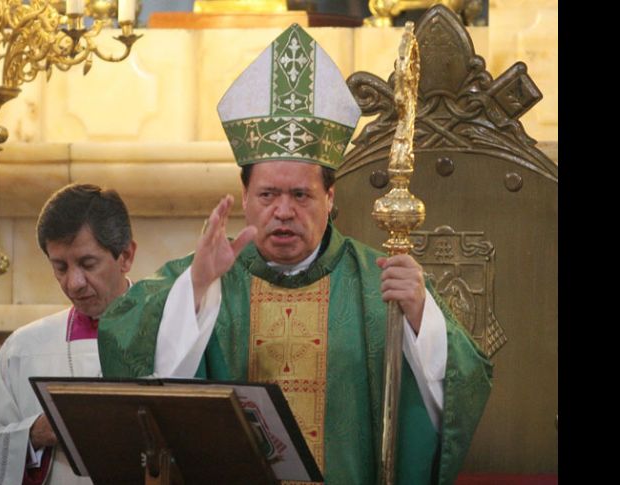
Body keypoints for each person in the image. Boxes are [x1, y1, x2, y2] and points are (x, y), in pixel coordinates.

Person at [98, 24, 492, 485]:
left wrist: (422, 317)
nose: (283, 212)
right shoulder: (204, 276)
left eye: (301, 195)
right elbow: (125, 348)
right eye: (267, 195)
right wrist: (197, 290)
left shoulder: (376, 283)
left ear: (330, 197)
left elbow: (467, 383)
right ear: (244, 198)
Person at [0, 184, 137, 485]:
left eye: (87, 263)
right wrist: (33, 434)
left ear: (126, 256)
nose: (73, 283)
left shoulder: (170, 336)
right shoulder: (24, 348)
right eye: (60, 267)